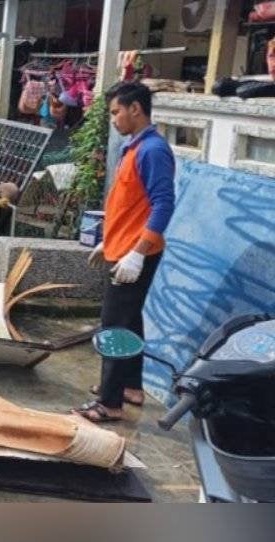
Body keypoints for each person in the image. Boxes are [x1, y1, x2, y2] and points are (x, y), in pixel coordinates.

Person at [74, 81, 175, 423]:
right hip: (123, 246)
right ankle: (131, 386)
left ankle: (109, 402)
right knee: (130, 319)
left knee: (113, 325)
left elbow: (163, 204)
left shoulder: (153, 151)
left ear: (136, 109)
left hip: (137, 252)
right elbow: (129, 205)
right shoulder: (132, 149)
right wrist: (109, 239)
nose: (114, 119)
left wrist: (137, 253)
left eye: (117, 112)